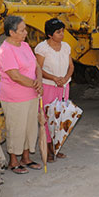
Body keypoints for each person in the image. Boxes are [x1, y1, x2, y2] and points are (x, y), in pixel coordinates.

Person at [0, 15, 43, 173]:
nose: (25, 33)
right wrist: (35, 84)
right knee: (16, 128)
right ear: (11, 32)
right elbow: (14, 75)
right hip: (14, 96)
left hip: (31, 94)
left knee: (30, 127)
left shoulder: (24, 45)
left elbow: (36, 65)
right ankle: (13, 161)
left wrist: (39, 80)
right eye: (22, 30)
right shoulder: (5, 50)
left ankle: (26, 157)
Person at [34, 18, 74, 161]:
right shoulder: (42, 48)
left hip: (63, 87)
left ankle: (56, 148)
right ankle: (48, 150)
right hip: (48, 87)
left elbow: (71, 66)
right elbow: (38, 69)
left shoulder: (66, 47)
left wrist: (65, 78)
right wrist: (54, 78)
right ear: (50, 35)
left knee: (60, 117)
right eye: (58, 32)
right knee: (47, 118)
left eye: (63, 31)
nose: (62, 34)